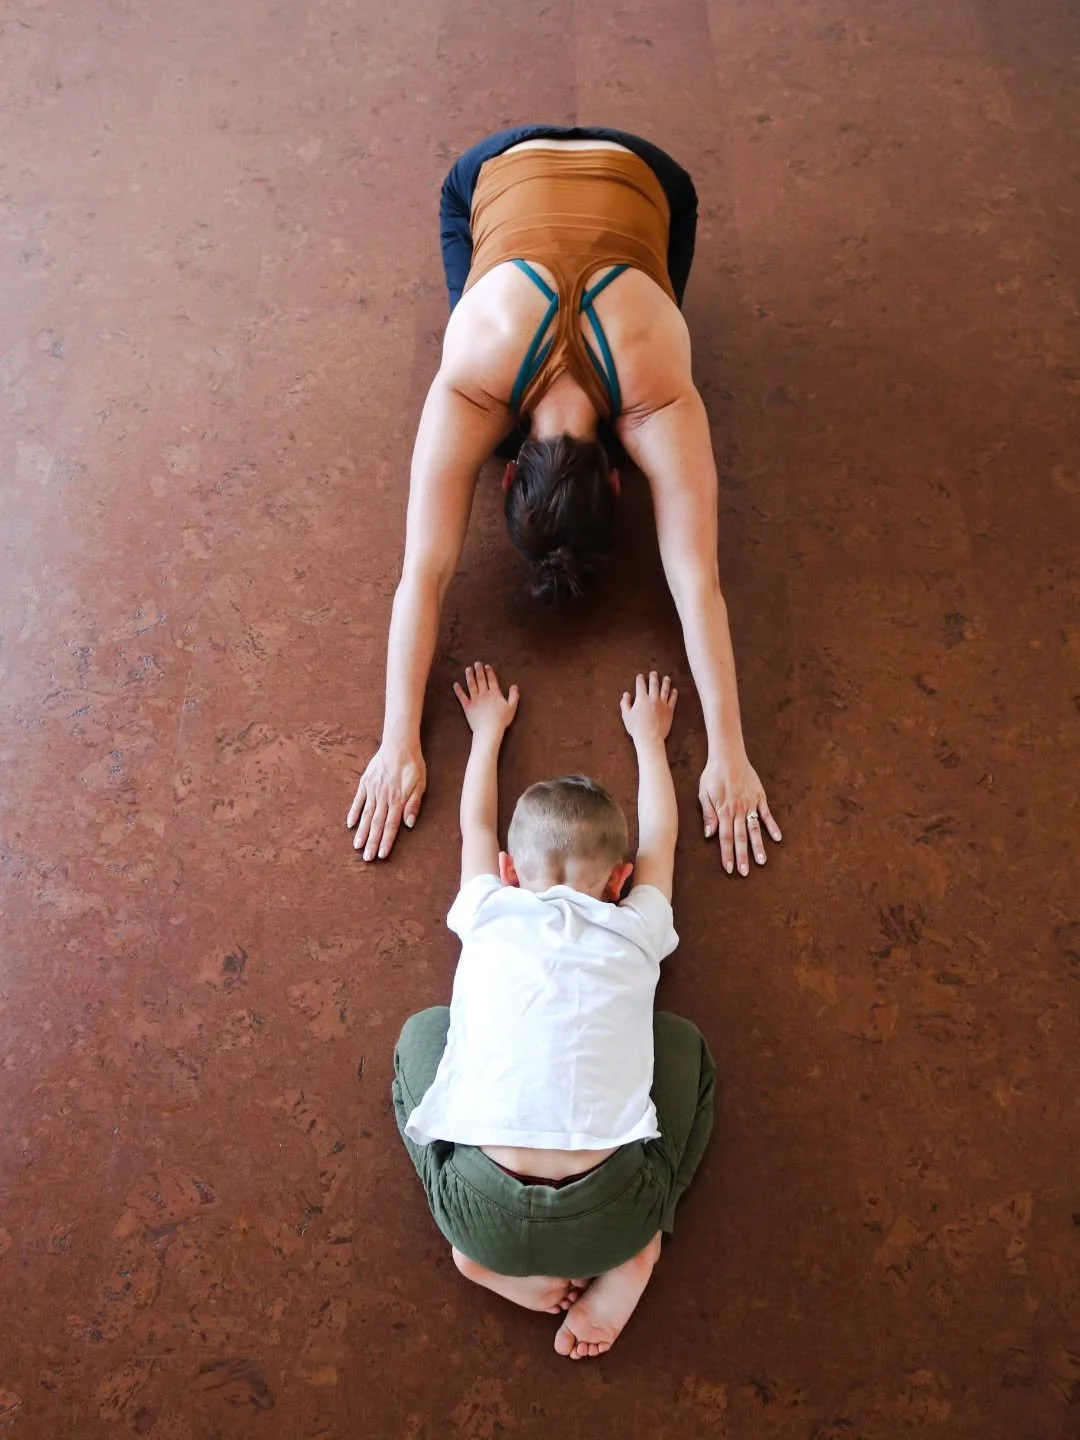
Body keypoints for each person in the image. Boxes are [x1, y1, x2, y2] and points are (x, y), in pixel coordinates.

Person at [347, 125, 783, 878]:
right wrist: (725, 755)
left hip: (652, 174)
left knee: (643, 279)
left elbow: (425, 573)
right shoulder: (479, 376)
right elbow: (694, 586)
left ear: (612, 478)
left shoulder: (644, 393)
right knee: (475, 290)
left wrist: (402, 742)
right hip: (506, 168)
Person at [392, 663, 716, 1359]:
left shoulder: (487, 905)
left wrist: (487, 732)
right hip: (613, 1215)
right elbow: (663, 839)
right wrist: (648, 738)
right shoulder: (636, 924)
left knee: (422, 1034)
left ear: (509, 871)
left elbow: (475, 822)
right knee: (683, 1043)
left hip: (484, 1218)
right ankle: (642, 1248)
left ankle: (476, 1261)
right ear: (621, 882)